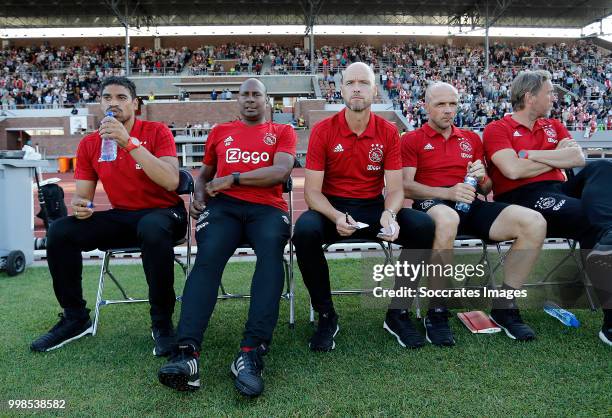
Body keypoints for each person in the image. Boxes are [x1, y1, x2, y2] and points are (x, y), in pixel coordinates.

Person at [158, 78, 296, 396]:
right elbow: (204, 176)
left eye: (256, 95)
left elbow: (280, 172)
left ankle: (251, 354)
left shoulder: (282, 132)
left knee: (271, 258)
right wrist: (200, 196)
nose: (250, 100)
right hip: (224, 210)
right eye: (245, 95)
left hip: (268, 209)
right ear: (238, 99)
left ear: (267, 100)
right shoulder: (220, 132)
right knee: (207, 259)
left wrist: (233, 177)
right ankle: (187, 354)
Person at [30, 76, 187, 355]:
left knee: (152, 227)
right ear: (100, 103)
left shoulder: (157, 131)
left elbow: (171, 182)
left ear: (135, 104)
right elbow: (83, 196)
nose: (113, 103)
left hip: (165, 214)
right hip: (124, 216)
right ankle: (75, 317)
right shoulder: (91, 143)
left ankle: (162, 323)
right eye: (107, 98)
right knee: (61, 231)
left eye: (121, 98)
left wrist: (128, 142)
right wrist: (80, 205)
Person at [292, 62, 435, 351]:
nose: (357, 88)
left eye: (364, 83)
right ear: (341, 89)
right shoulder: (322, 131)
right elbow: (311, 194)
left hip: (372, 208)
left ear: (374, 89)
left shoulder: (388, 131)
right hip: (331, 209)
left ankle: (398, 312)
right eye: (350, 83)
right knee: (304, 231)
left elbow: (395, 189)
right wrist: (334, 215)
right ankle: (326, 315)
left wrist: (390, 214)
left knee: (423, 225)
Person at [402, 82, 546, 344]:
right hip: (433, 205)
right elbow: (406, 186)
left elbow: (488, 187)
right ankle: (436, 311)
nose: (448, 110)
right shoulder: (412, 139)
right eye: (440, 104)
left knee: (533, 222)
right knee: (448, 218)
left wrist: (482, 178)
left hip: (471, 203)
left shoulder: (471, 138)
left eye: (453, 104)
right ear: (426, 107)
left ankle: (505, 305)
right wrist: (447, 193)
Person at [483, 70, 612, 346]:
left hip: (561, 190)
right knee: (588, 221)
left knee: (603, 167)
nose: (554, 97)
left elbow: (577, 156)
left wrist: (529, 155)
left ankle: (609, 232)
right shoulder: (498, 129)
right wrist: (556, 158)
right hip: (524, 197)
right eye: (549, 92)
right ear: (530, 97)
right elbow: (513, 171)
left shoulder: (553, 125)